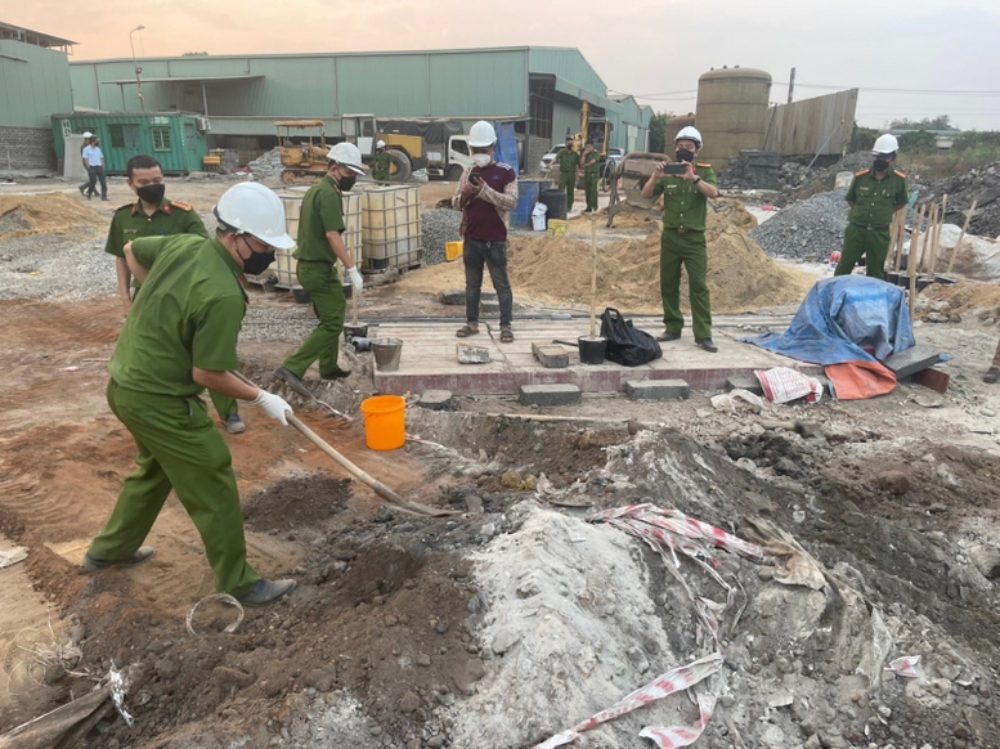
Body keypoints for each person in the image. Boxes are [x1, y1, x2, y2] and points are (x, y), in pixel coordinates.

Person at [83, 182, 298, 607]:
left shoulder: (184, 243)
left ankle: (109, 550)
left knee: (156, 469)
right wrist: (261, 398)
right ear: (236, 238)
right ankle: (239, 583)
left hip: (125, 384)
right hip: (158, 398)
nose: (269, 254)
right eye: (263, 244)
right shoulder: (223, 294)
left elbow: (132, 252)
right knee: (212, 471)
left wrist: (164, 305)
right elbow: (208, 373)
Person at [105, 154, 246, 434]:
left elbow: (208, 253)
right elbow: (122, 257)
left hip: (184, 299)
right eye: (145, 182)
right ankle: (167, 406)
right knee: (160, 354)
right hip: (146, 300)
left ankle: (228, 412)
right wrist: (125, 300)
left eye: (157, 180)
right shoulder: (123, 218)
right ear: (131, 184)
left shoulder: (183, 215)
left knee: (210, 354)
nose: (153, 186)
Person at [275, 142, 366, 392]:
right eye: (350, 174)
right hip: (318, 269)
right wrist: (352, 268)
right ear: (335, 168)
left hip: (308, 266)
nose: (353, 180)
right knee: (333, 322)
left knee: (329, 318)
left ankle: (328, 367)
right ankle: (293, 367)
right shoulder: (327, 194)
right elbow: (332, 235)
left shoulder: (316, 190)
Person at [640, 125, 720, 353]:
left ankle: (703, 335)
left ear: (698, 150)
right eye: (680, 147)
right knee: (668, 283)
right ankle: (672, 327)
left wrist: (693, 178)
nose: (684, 151)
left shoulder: (704, 172)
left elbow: (713, 193)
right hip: (671, 237)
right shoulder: (668, 173)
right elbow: (646, 195)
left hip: (694, 239)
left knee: (699, 286)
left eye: (689, 147)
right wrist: (655, 176)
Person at [452, 120, 518, 343]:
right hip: (472, 238)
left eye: (483, 149)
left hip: (495, 240)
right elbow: (455, 201)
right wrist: (468, 194)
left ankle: (506, 326)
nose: (479, 153)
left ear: (493, 148)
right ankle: (472, 323)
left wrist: (485, 191)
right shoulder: (468, 171)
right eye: (475, 149)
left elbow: (511, 202)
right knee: (472, 286)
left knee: (501, 285)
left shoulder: (506, 173)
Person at [835, 134, 908, 281]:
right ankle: (834, 298)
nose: (880, 160)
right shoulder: (861, 178)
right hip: (856, 231)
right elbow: (851, 199)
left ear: (892, 158)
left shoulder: (898, 181)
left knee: (875, 273)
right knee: (844, 267)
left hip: (879, 234)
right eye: (877, 156)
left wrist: (883, 212)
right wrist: (862, 213)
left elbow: (901, 202)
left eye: (884, 156)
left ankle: (871, 302)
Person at [554, 136, 579, 211]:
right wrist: (550, 164)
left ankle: (569, 207)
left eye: (571, 142)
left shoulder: (575, 154)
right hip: (564, 174)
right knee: (561, 190)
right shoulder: (562, 152)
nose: (569, 143)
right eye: (568, 142)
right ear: (566, 143)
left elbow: (577, 166)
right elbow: (556, 159)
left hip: (572, 174)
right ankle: (559, 206)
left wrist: (577, 177)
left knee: (570, 191)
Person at [81, 136, 108, 201]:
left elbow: (101, 158)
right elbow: (85, 158)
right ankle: (89, 193)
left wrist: (102, 166)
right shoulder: (86, 149)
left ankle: (104, 196)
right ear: (92, 142)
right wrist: (88, 167)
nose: (98, 142)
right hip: (92, 167)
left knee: (103, 182)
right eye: (96, 141)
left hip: (99, 167)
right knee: (93, 182)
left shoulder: (98, 149)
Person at [581, 142, 601, 213]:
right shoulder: (586, 154)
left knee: (593, 190)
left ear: (592, 147)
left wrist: (585, 165)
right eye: (586, 147)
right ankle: (588, 207)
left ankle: (594, 206)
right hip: (587, 175)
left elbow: (593, 161)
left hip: (594, 174)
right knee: (587, 191)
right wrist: (583, 155)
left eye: (589, 147)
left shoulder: (596, 153)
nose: (587, 149)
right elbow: (581, 163)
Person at [78, 131, 94, 197]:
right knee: (93, 178)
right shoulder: (84, 147)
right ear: (86, 139)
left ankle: (91, 191)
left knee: (93, 178)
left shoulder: (88, 146)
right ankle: (83, 187)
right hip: (88, 163)